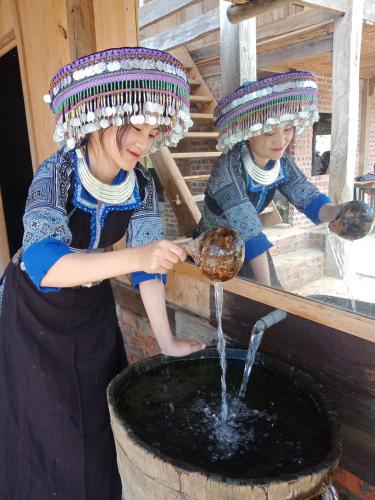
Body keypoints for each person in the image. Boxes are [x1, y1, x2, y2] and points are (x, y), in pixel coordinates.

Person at [0, 47, 205, 500]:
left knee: (98, 415)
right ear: (98, 116)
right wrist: (138, 258)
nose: (144, 143)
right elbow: (44, 264)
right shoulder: (56, 174)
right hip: (34, 311)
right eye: (135, 128)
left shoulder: (142, 184)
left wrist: (165, 339)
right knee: (47, 424)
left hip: (91, 309)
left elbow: (147, 266)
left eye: (153, 133)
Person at [194, 71, 348, 287]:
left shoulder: (280, 162)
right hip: (215, 247)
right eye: (268, 133)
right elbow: (247, 226)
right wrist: (269, 294)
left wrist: (337, 212)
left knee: (275, 301)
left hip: (249, 243)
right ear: (248, 131)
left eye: (287, 129)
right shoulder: (228, 171)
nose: (281, 140)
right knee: (253, 303)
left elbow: (305, 194)